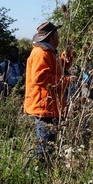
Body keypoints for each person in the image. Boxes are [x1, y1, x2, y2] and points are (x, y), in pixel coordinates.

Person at [24, 21, 74, 158]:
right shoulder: (42, 53)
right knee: (44, 149)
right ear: (52, 37)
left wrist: (66, 57)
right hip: (44, 106)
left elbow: (57, 69)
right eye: (57, 34)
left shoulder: (48, 52)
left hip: (49, 106)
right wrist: (67, 81)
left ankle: (44, 171)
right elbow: (41, 78)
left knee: (49, 147)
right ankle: (39, 172)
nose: (59, 37)